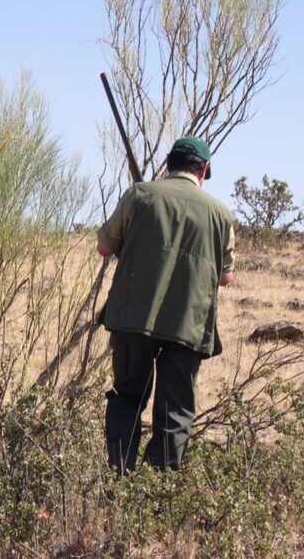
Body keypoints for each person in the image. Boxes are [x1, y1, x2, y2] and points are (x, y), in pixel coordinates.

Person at [96, 135, 235, 473]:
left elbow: (104, 246)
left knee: (127, 399)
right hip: (187, 326)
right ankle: (157, 495)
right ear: (203, 170)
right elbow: (226, 277)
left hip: (134, 319)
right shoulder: (221, 214)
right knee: (174, 413)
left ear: (168, 164)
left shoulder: (140, 195)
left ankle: (120, 482)